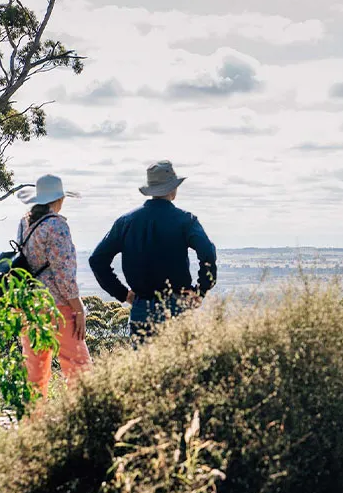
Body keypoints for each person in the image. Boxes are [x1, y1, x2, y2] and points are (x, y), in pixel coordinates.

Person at [89, 160, 217, 342]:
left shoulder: (126, 222)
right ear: (173, 189)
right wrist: (200, 291)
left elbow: (97, 260)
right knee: (181, 367)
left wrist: (123, 293)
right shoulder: (186, 220)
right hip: (178, 306)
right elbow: (208, 253)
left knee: (145, 368)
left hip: (141, 308)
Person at [15, 174, 91, 398]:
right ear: (59, 200)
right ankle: (85, 418)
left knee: (34, 372)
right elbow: (63, 273)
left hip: (30, 306)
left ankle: (32, 423)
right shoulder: (57, 225)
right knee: (78, 368)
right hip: (58, 306)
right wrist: (78, 309)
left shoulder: (24, 223)